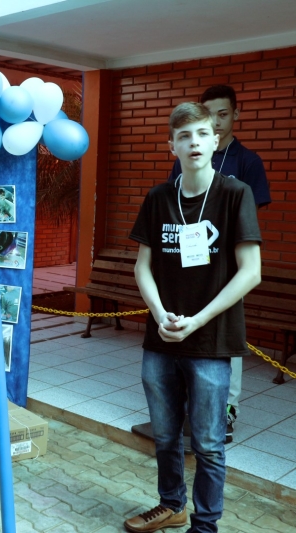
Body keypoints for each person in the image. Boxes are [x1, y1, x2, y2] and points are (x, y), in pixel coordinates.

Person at [125, 102, 261, 533]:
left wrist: (198, 319)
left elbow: (252, 272)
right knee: (165, 437)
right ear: (172, 146)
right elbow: (142, 266)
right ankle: (172, 506)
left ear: (215, 141)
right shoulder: (159, 197)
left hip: (211, 341)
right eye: (184, 136)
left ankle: (205, 525)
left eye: (202, 134)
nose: (194, 142)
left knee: (208, 444)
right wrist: (161, 313)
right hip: (161, 337)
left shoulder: (235, 194)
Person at [169, 85, 271, 442]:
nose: (215, 121)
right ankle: (189, 402)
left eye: (222, 114)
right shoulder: (187, 154)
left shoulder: (247, 161)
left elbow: (248, 218)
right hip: (187, 263)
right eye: (209, 114)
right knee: (186, 327)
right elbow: (176, 205)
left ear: (235, 115)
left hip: (226, 267)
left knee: (225, 336)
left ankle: (227, 408)